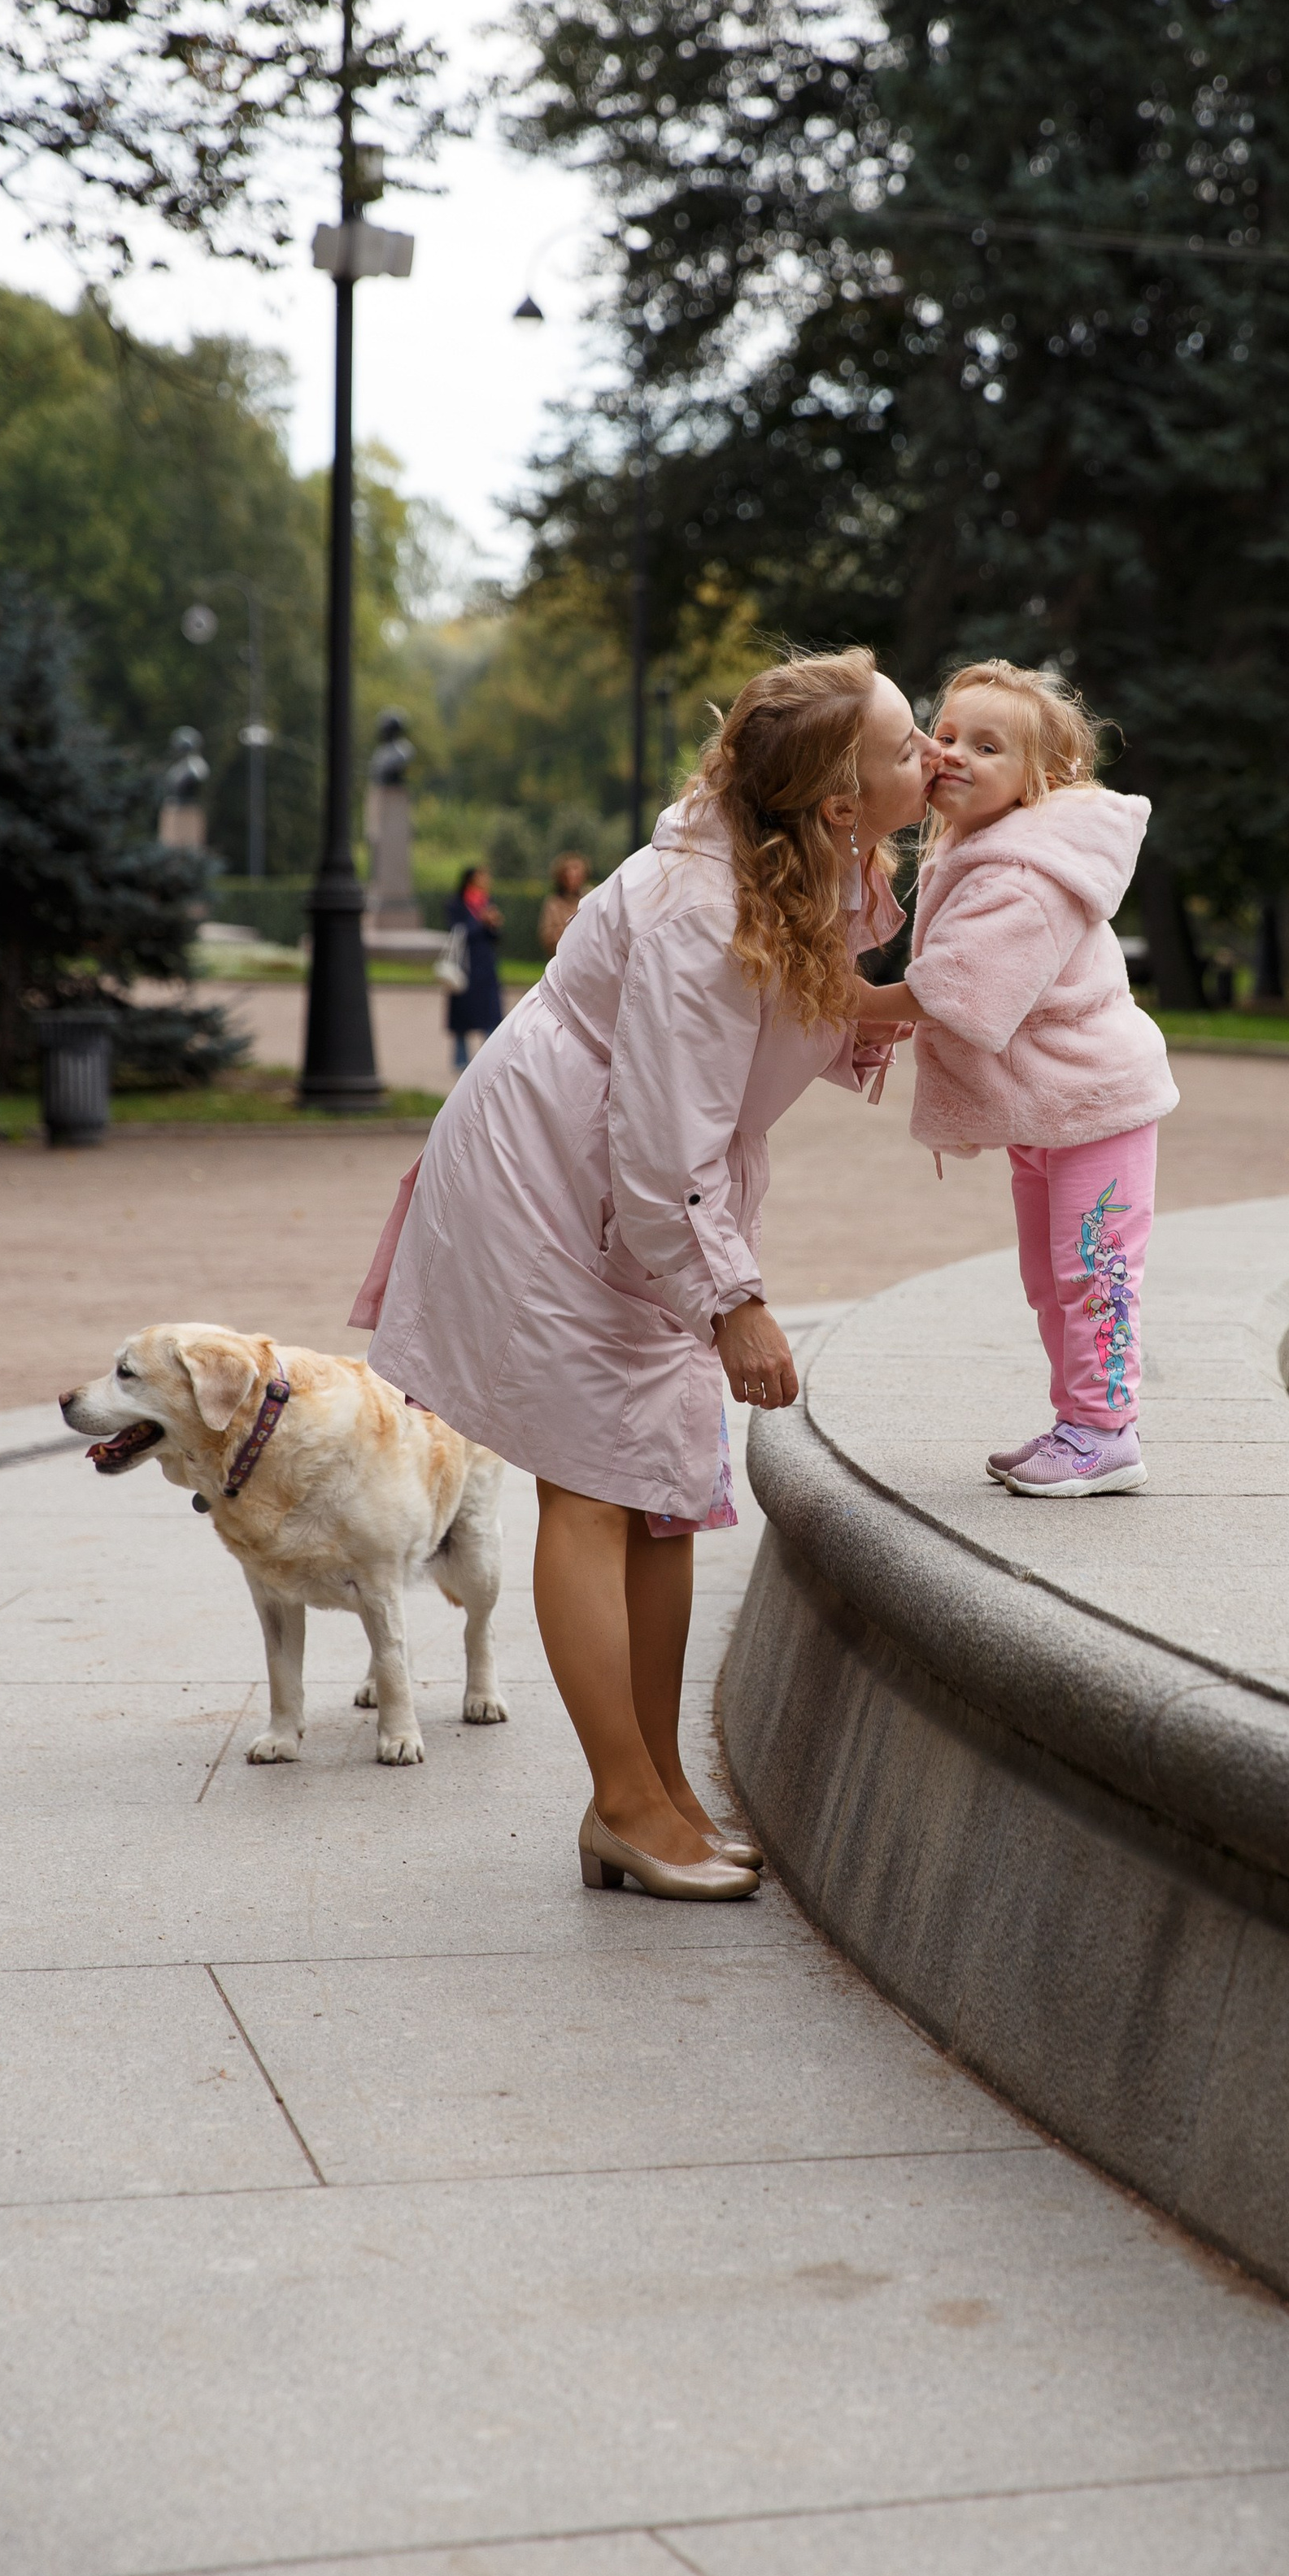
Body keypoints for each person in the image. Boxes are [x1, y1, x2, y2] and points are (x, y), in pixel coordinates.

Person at [351, 648, 936, 1899]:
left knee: (665, 1490)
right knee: (595, 1488)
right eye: (909, 745)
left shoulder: (790, 854)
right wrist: (736, 1305)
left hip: (627, 1189)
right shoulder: (699, 914)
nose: (933, 755)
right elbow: (664, 1142)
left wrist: (933, 999)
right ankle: (623, 1803)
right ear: (840, 801)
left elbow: (796, 1013)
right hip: (558, 1190)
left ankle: (661, 1793)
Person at [851, 657, 1179, 1499]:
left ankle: (1105, 1433)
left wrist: (857, 1002)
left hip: (1093, 1103)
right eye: (947, 733)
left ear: (1039, 779)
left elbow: (963, 986)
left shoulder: (1026, 875)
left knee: (1095, 1271)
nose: (955, 754)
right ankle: (1080, 1422)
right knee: (1051, 1276)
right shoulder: (983, 846)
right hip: (1050, 1108)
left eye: (988, 747)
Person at [442, 867, 504, 1069]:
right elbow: (458, 931)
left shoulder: (488, 901)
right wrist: (481, 922)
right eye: (482, 877)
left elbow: (495, 937)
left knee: (491, 1013)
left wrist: (494, 924)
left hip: (486, 966)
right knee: (462, 1014)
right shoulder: (457, 903)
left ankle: (489, 1059)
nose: (486, 880)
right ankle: (461, 1059)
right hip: (465, 965)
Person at [537, 851, 592, 958]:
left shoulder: (590, 898)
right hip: (563, 959)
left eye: (577, 871)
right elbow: (547, 936)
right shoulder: (553, 904)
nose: (573, 876)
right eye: (568, 872)